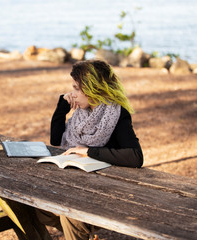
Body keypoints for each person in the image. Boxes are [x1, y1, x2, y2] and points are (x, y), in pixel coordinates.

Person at [36, 59, 143, 240]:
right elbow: (56, 140)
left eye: (77, 89)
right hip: (76, 183)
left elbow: (135, 157)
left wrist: (89, 151)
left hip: (106, 189)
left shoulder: (116, 114)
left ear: (93, 88)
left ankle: (78, 230)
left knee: (70, 214)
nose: (73, 94)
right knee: (33, 203)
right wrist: (62, 108)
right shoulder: (81, 114)